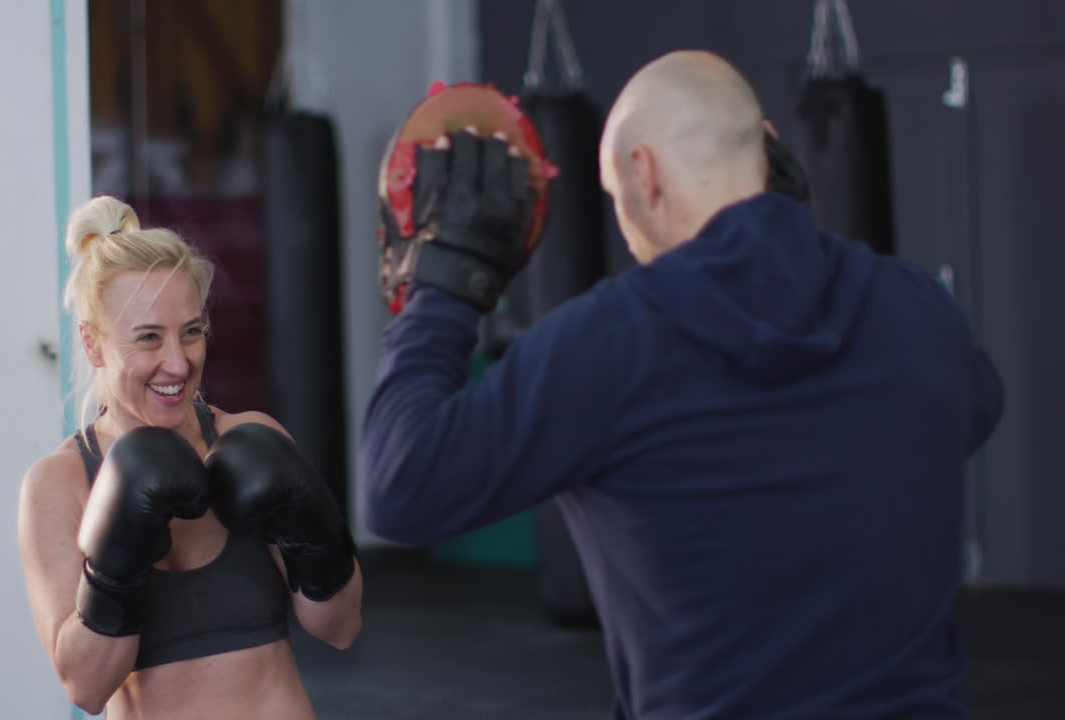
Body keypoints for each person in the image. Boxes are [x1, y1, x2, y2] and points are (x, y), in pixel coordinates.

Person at [359, 50, 1003, 719]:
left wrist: (442, 287)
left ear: (645, 174)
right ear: (770, 151)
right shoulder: (919, 311)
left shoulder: (609, 345)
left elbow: (399, 491)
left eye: (613, 197)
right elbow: (977, 407)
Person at [17, 195, 362, 719]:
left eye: (192, 332)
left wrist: (312, 531)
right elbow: (86, 688)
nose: (177, 363)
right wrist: (114, 562)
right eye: (149, 338)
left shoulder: (250, 438)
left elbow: (340, 627)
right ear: (92, 344)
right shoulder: (59, 485)